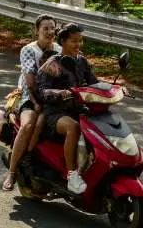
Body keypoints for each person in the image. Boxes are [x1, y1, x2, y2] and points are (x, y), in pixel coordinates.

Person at [37, 23, 97, 195]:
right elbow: (42, 91)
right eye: (73, 41)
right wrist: (59, 93)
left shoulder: (82, 61)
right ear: (62, 41)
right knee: (74, 127)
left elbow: (94, 83)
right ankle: (72, 176)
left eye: (80, 41)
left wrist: (115, 88)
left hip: (77, 109)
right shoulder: (52, 64)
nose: (78, 44)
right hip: (55, 113)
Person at [2, 14, 59, 191]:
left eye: (52, 28)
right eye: (45, 28)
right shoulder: (29, 50)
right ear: (37, 31)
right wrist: (36, 102)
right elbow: (30, 81)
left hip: (54, 98)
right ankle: (12, 172)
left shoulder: (59, 48)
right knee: (28, 126)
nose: (50, 32)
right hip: (30, 96)